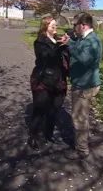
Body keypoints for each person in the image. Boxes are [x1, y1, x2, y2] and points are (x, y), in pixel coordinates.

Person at [60, 12, 102, 160]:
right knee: (82, 116)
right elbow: (80, 48)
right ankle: (82, 144)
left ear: (83, 25)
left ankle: (82, 150)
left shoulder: (93, 41)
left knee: (79, 118)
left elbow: (85, 59)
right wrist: (71, 40)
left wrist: (70, 44)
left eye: (75, 25)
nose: (73, 28)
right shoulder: (86, 39)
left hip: (84, 86)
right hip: (84, 83)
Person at [28, 15, 70, 150]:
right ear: (45, 26)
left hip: (59, 80)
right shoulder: (40, 42)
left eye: (56, 25)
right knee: (40, 109)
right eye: (52, 25)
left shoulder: (58, 41)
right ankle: (32, 136)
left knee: (54, 109)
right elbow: (46, 57)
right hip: (43, 80)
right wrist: (59, 45)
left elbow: (66, 58)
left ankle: (49, 133)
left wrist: (66, 45)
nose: (55, 27)